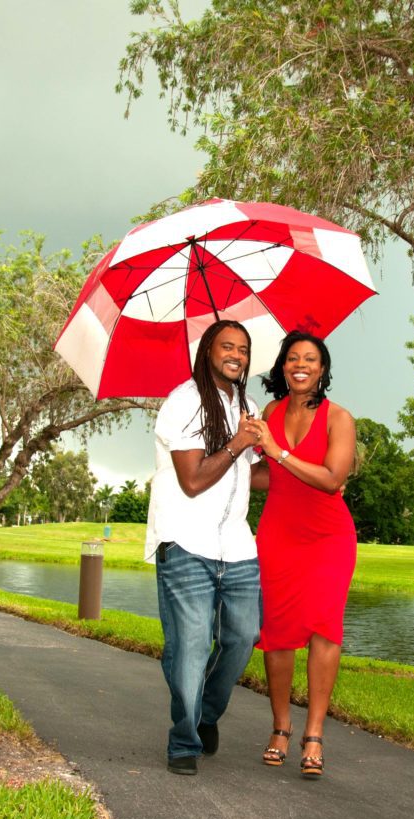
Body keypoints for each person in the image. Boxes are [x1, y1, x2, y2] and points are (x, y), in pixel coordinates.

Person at [146, 319, 264, 776]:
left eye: (243, 348)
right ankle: (184, 740)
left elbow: (247, 476)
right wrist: (238, 442)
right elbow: (193, 480)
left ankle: (206, 712)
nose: (236, 355)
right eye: (226, 346)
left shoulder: (248, 404)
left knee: (242, 638)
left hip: (236, 545)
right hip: (186, 542)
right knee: (192, 646)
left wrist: (293, 463)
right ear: (207, 352)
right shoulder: (184, 403)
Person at [248, 330, 357, 780]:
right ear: (282, 367)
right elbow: (265, 477)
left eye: (310, 359)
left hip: (328, 538)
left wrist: (278, 450)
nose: (300, 365)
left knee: (324, 630)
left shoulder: (340, 418)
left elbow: (332, 479)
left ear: (323, 369)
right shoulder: (270, 412)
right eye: (293, 358)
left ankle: (314, 734)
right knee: (275, 633)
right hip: (278, 534)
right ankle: (280, 727)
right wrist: (233, 453)